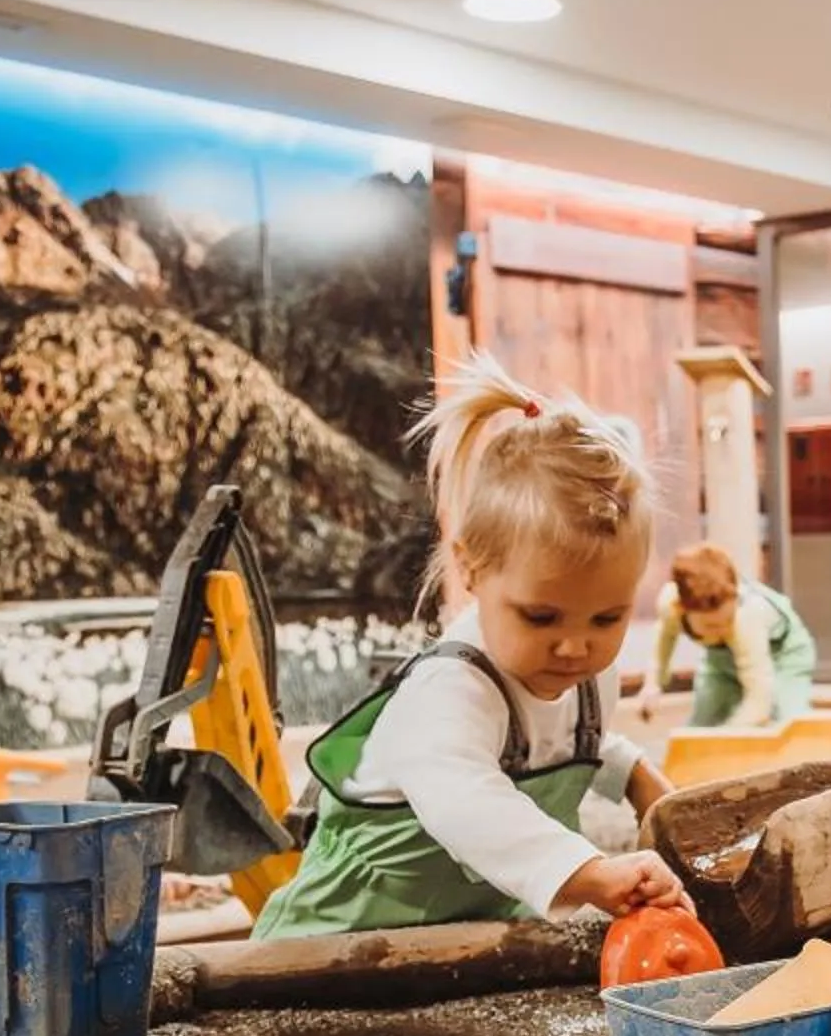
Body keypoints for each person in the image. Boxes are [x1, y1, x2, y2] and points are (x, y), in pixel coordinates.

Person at [255, 355, 691, 937]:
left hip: (462, 942)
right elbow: (466, 800)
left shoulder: (584, 678)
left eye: (607, 618)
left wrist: (636, 775)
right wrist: (588, 872)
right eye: (541, 616)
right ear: (471, 569)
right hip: (337, 944)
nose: (574, 647)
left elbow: (560, 737)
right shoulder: (449, 690)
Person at [646, 542, 818, 727]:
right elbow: (664, 641)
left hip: (784, 653)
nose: (723, 630)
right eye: (711, 626)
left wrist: (729, 735)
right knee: (702, 723)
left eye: (728, 621)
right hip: (720, 658)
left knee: (787, 721)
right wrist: (653, 684)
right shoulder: (669, 605)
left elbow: (759, 699)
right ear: (681, 610)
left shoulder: (747, 617)